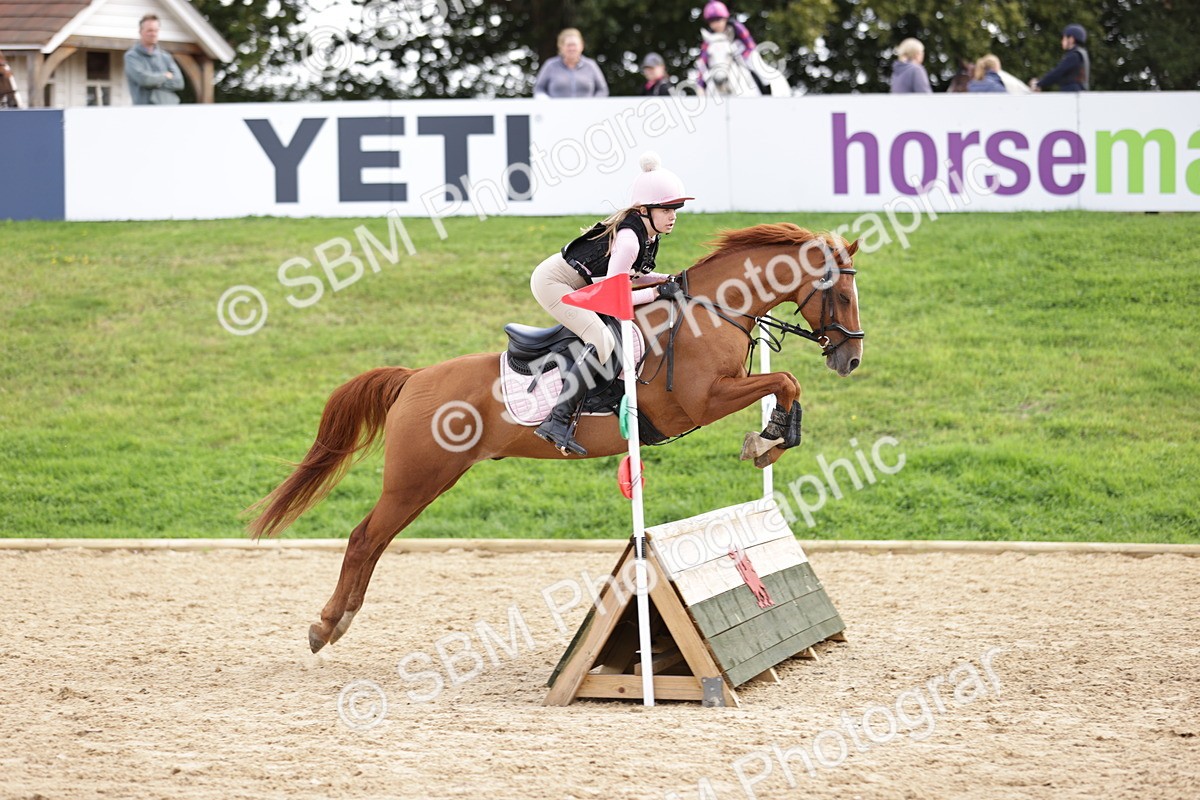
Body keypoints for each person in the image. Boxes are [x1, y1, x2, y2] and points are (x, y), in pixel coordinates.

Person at [529, 153, 692, 456]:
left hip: (584, 284)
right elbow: (613, 298)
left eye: (676, 209)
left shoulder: (649, 235)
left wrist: (667, 278)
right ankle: (557, 420)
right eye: (667, 209)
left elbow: (635, 276)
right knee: (601, 339)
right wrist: (657, 294)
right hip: (554, 285)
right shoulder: (631, 240)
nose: (673, 216)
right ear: (643, 210)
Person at [697, 0, 762, 92]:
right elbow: (703, 61)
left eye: (718, 20)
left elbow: (750, 45)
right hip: (723, 63)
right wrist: (700, 84)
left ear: (725, 18)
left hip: (743, 56)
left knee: (758, 67)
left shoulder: (736, 27)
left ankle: (766, 90)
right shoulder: (709, 37)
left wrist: (743, 57)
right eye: (712, 21)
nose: (716, 24)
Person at [124, 14, 184, 105]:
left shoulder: (166, 57)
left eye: (156, 30)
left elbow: (179, 83)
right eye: (150, 30)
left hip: (170, 111)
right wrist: (165, 76)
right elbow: (144, 80)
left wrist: (154, 81)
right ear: (140, 31)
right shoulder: (131, 56)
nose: (153, 34)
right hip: (145, 111)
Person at [533, 28, 608, 98]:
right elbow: (539, 89)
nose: (572, 48)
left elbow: (602, 90)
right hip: (557, 110)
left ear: (581, 46)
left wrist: (594, 104)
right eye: (568, 45)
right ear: (561, 47)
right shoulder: (550, 65)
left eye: (574, 45)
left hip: (586, 111)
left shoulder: (591, 65)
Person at [1031, 24, 1089, 92]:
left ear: (1071, 39)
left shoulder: (1074, 56)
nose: (1062, 41)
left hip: (1071, 93)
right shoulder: (1080, 54)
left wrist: (1038, 84)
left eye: (1064, 38)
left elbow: (1057, 73)